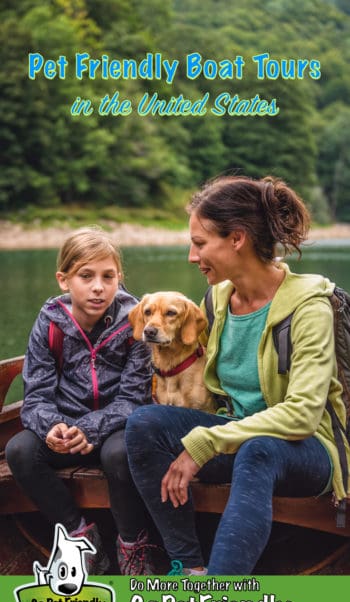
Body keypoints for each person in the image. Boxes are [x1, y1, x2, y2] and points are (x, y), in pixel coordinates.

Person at [125, 175, 350, 575]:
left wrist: (208, 439)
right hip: (236, 433)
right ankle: (188, 567)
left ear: (237, 239)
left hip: (305, 451)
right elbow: (178, 355)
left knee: (257, 450)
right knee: (143, 425)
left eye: (199, 243)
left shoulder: (309, 308)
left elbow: (301, 416)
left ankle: (219, 593)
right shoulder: (215, 300)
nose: (192, 257)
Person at [6, 226, 163, 575]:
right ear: (64, 280)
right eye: (86, 276)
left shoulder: (134, 323)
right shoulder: (49, 323)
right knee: (19, 450)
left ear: (119, 277)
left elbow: (133, 397)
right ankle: (80, 538)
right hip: (64, 428)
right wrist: (53, 427)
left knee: (121, 453)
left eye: (108, 276)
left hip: (115, 427)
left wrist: (90, 427)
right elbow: (36, 398)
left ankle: (132, 545)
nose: (98, 287)